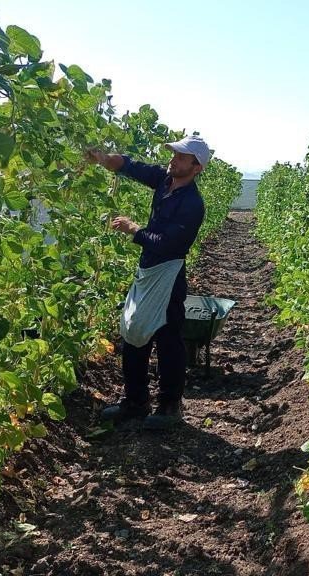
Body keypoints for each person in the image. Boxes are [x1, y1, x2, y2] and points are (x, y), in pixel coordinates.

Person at [84, 135, 211, 430]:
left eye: (181, 157)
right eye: (174, 154)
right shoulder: (165, 180)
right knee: (134, 332)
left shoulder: (192, 204)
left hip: (168, 275)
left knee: (168, 341)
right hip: (149, 271)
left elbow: (167, 244)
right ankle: (135, 401)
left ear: (196, 168)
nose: (173, 160)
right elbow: (132, 167)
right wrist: (103, 158)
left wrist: (134, 230)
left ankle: (169, 406)